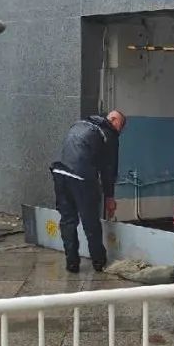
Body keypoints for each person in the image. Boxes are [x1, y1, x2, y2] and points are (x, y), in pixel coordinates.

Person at [51, 111, 126, 273]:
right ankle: (99, 262)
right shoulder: (109, 134)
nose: (119, 132)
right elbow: (108, 169)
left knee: (68, 220)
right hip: (81, 176)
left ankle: (72, 263)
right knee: (90, 220)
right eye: (120, 127)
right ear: (114, 120)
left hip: (59, 172)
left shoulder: (80, 124)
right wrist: (110, 197)